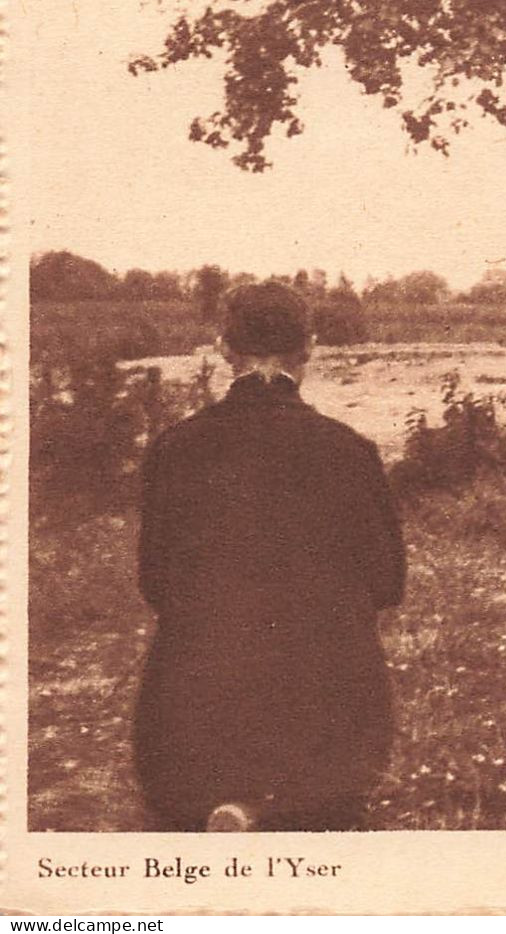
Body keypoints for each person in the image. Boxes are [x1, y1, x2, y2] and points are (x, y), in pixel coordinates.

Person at [135, 282, 405, 832]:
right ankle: (280, 798)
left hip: (189, 737)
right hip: (327, 736)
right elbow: (387, 584)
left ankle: (230, 800)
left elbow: (155, 584)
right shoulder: (347, 450)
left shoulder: (177, 446)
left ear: (223, 348)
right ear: (308, 348)